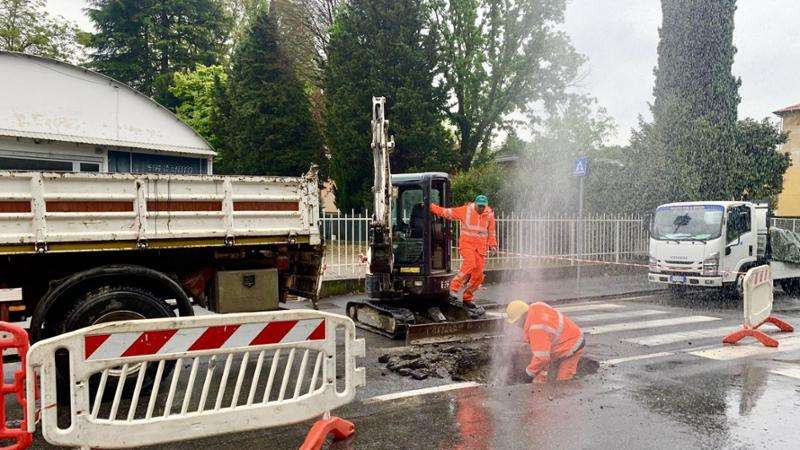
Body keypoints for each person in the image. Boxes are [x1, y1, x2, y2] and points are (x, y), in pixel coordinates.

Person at [430, 194, 497, 317]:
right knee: (470, 264)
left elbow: (491, 231)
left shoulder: (489, 215)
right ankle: (453, 289)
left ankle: (467, 298)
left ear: (486, 206)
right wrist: (431, 206)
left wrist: (493, 245)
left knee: (478, 276)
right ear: (475, 204)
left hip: (480, 249)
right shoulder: (466, 210)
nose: (481, 209)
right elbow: (447, 212)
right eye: (479, 206)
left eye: (483, 206)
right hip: (467, 245)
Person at [505, 300, 585, 382]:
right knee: (542, 373)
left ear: (521, 317)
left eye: (517, 322)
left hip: (572, 346)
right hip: (564, 338)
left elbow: (542, 358)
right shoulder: (536, 307)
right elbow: (543, 356)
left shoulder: (536, 328)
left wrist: (528, 374)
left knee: (562, 383)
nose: (518, 326)